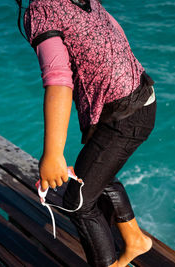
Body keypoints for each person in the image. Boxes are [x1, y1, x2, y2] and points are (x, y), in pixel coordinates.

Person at [15, 0, 155, 266]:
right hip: (141, 96)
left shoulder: (42, 10)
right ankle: (135, 240)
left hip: (121, 114)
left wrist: (53, 154)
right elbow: (115, 30)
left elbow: (58, 79)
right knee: (93, 171)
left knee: (77, 201)